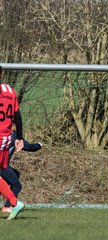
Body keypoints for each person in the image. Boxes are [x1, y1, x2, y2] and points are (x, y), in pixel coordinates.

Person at [0, 65, 26, 220]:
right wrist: (19, 137)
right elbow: (18, 117)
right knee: (2, 168)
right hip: (5, 138)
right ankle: (13, 202)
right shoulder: (10, 91)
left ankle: (14, 203)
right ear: (2, 74)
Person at [1, 130, 42, 213]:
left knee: (15, 174)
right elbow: (27, 146)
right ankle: (7, 206)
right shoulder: (12, 135)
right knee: (17, 185)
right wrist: (39, 145)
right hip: (2, 166)